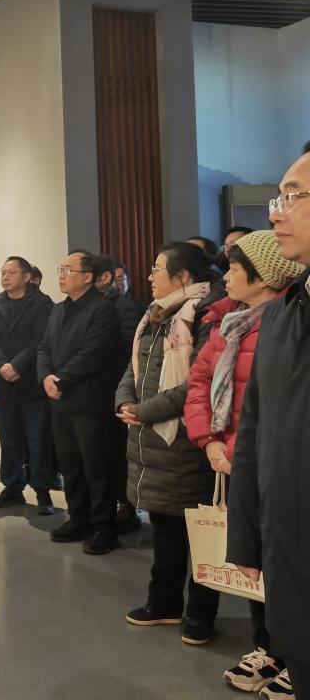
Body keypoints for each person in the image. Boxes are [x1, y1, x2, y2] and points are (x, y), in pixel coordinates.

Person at [185, 231, 305, 693]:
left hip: (265, 460)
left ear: (265, 277)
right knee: (254, 560)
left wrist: (236, 449)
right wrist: (208, 441)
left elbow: (277, 406)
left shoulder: (286, 321)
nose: (228, 276)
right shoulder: (228, 322)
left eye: (236, 268)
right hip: (234, 458)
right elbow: (200, 381)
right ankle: (270, 647)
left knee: (288, 563)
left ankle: (295, 655)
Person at [228, 145, 310, 700]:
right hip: (292, 557)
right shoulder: (281, 315)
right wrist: (247, 538)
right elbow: (255, 430)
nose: (275, 213)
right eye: (277, 199)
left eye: (293, 197)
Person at [115, 242, 221, 644]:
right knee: (165, 528)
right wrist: (125, 401)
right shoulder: (155, 315)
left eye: (157, 269)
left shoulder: (206, 315)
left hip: (188, 440)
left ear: (183, 276)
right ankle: (164, 603)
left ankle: (201, 614)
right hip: (152, 439)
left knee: (201, 534)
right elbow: (133, 368)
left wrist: (146, 411)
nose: (149, 276)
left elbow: (198, 382)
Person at [37, 250, 118, 553]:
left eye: (68, 269)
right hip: (60, 402)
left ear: (87, 277)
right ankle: (78, 518)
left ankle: (104, 527)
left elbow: (93, 353)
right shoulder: (58, 310)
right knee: (70, 465)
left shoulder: (102, 309)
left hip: (89, 402)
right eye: (61, 268)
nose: (61, 274)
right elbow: (43, 348)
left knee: (97, 468)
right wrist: (46, 376)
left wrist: (61, 380)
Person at [0, 256, 57, 515]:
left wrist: (16, 365)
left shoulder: (42, 304)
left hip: (32, 382)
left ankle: (43, 490)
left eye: (11, 272)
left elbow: (40, 340)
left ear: (26, 277)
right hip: (5, 384)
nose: (5, 277)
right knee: (9, 439)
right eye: (2, 272)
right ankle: (12, 487)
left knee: (38, 440)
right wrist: (2, 365)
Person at [94, 255, 145, 534]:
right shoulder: (91, 306)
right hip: (97, 392)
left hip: (115, 392)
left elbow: (128, 352)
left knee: (118, 454)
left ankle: (127, 506)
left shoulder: (125, 307)